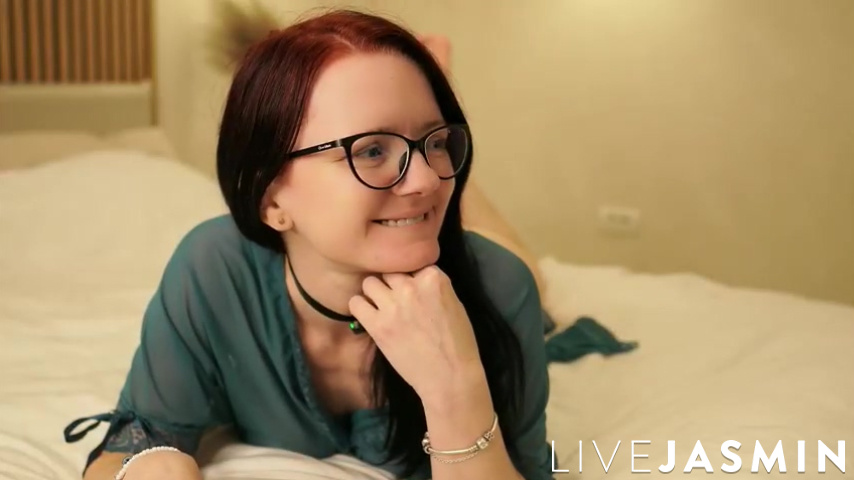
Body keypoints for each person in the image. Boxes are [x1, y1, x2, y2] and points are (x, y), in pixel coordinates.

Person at [64, 9, 552, 480]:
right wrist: (153, 466)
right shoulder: (214, 271)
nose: (426, 177)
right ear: (271, 198)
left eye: (437, 142)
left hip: (472, 258)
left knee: (524, 268)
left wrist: (455, 392)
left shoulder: (502, 288)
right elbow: (128, 446)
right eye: (372, 150)